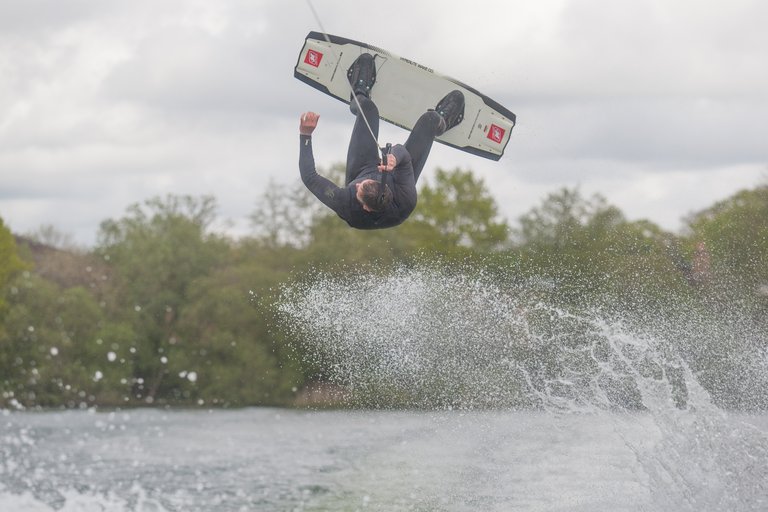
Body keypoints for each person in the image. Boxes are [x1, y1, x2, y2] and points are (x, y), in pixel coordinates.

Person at [298, 53, 465, 229]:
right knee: (430, 119)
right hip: (398, 183)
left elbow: (310, 177)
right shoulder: (405, 197)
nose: (357, 186)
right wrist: (395, 158)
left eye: (360, 187)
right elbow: (404, 154)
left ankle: (359, 92)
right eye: (363, 185)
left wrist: (305, 135)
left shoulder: (344, 202)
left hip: (361, 168)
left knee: (368, 109)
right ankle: (443, 121)